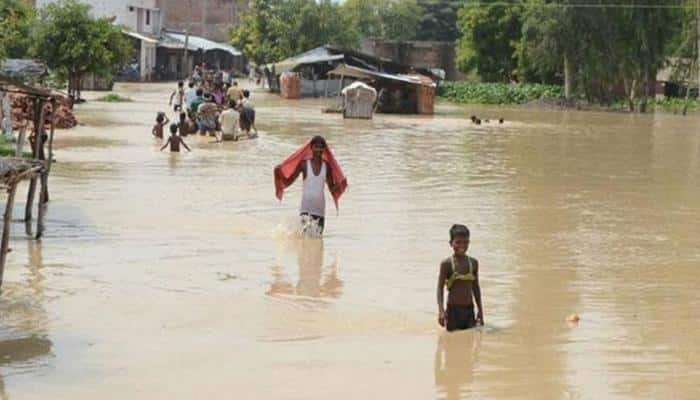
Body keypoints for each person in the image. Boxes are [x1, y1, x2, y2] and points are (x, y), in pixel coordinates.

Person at [274, 136, 348, 235]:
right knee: (306, 239)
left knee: (317, 238)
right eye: (316, 147)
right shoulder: (304, 164)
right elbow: (288, 182)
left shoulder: (327, 166)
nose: (319, 149)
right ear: (311, 148)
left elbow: (332, 189)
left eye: (321, 147)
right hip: (306, 208)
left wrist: (341, 185)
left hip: (320, 210)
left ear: (324, 149)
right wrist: (279, 173)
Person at [436, 224, 483, 332]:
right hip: (453, 312)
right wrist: (441, 311)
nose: (462, 245)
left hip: (469, 310)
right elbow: (439, 289)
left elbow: (476, 288)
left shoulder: (473, 263)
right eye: (458, 242)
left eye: (465, 242)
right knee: (452, 343)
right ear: (451, 243)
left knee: (470, 341)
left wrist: (480, 310)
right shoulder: (446, 264)